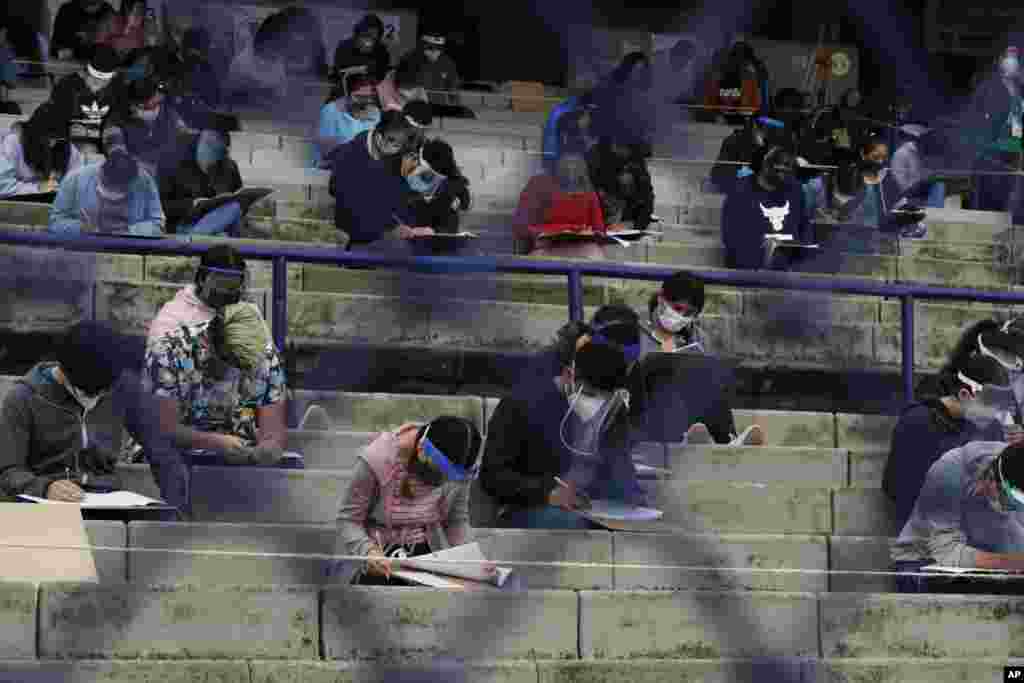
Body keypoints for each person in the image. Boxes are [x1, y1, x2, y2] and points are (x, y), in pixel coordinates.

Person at [143, 245, 301, 473]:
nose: (228, 298)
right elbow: (161, 427)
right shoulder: (170, 341)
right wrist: (214, 442)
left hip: (240, 448)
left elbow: (272, 425)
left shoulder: (255, 340)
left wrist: (270, 444)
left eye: (234, 292)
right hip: (175, 453)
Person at [0, 321, 184, 512]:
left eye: (104, 393)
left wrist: (178, 511)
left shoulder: (120, 386)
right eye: (89, 394)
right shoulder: (24, 398)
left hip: (108, 501)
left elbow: (161, 450)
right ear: (63, 373)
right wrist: (44, 488)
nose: (96, 400)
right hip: (46, 505)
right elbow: (8, 471)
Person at [480, 335, 645, 530]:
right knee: (576, 525)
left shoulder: (613, 413)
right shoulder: (521, 404)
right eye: (589, 395)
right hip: (530, 506)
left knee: (636, 531)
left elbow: (621, 464)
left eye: (604, 399)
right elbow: (492, 476)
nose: (596, 405)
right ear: (569, 375)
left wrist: (635, 500)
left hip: (590, 507)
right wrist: (548, 493)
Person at [333, 416, 483, 584]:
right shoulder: (378, 459)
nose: (444, 481)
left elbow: (455, 520)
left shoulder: (458, 473)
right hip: (378, 554)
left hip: (425, 554)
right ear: (421, 450)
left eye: (450, 477)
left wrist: (470, 559)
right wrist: (369, 552)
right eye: (439, 471)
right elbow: (348, 520)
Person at [883, 354, 1014, 535]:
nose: (995, 415)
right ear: (964, 394)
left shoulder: (992, 429)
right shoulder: (917, 423)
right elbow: (897, 488)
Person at [891, 441, 1024, 594]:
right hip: (923, 560)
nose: (1015, 508)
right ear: (991, 481)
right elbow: (944, 552)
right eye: (1011, 501)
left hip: (989, 556)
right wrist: (1013, 562)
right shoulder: (948, 471)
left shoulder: (1016, 468)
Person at [328, 108, 435, 249]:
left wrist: (415, 228)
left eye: (401, 145)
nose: (398, 149)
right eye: (396, 144)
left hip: (387, 238)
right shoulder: (350, 154)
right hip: (355, 238)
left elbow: (402, 195)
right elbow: (347, 195)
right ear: (379, 138)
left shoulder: (396, 154)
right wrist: (392, 226)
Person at [721, 146, 810, 270]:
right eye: (779, 170)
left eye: (788, 171)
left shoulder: (795, 190)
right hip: (747, 271)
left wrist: (797, 256)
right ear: (766, 166)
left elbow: (805, 229)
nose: (784, 176)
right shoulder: (740, 191)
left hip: (787, 272)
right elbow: (731, 237)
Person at [513, 151, 608, 260]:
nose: (570, 168)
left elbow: (599, 229)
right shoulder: (538, 184)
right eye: (566, 162)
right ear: (557, 163)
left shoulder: (588, 190)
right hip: (546, 245)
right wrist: (540, 234)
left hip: (581, 247)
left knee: (596, 258)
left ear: (583, 167)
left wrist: (594, 235)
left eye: (576, 163)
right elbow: (520, 224)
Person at [49, 148, 164, 235]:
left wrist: (128, 231)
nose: (115, 192)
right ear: (101, 173)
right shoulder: (75, 179)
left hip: (131, 249)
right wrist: (81, 227)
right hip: (85, 247)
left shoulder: (144, 182)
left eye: (121, 188)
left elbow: (158, 225)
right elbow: (55, 223)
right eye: (111, 186)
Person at [967, 45, 1024, 218]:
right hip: (990, 154)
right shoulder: (988, 88)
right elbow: (976, 119)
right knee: (987, 200)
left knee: (1007, 200)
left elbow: (1018, 125)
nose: (1012, 61)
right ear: (1000, 61)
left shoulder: (1019, 91)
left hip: (1011, 153)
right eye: (1009, 56)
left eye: (1015, 56)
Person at [104, 77, 192, 181]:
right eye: (155, 94)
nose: (159, 95)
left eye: (158, 93)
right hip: (137, 169)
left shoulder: (169, 110)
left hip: (166, 167)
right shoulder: (118, 119)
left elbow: (183, 132)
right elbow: (116, 150)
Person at [159, 128, 244, 236]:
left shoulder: (229, 167)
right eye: (212, 149)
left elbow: (238, 198)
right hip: (184, 225)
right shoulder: (172, 163)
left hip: (220, 223)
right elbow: (161, 207)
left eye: (221, 153)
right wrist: (191, 205)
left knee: (234, 210)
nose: (216, 159)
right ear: (201, 143)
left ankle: (203, 237)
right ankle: (198, 237)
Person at [0, 104, 83, 198]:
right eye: (47, 137)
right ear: (32, 132)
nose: (52, 144)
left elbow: (78, 184)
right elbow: (3, 186)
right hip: (18, 204)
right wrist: (37, 188)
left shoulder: (67, 147)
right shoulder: (14, 142)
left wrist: (63, 188)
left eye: (57, 137)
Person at [49, 46, 121, 154]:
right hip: (71, 144)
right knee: (88, 149)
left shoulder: (116, 88)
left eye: (104, 81)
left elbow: (117, 120)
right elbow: (55, 121)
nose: (98, 84)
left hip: (103, 143)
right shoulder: (66, 86)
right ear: (85, 72)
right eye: (94, 79)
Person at [315, 68, 382, 168]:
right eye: (360, 97)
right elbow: (326, 153)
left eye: (370, 97)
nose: (367, 101)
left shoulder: (375, 113)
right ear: (346, 93)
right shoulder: (331, 111)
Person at [404, 138, 472, 235]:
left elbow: (463, 205)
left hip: (438, 233)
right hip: (420, 230)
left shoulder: (451, 185)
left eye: (421, 158)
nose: (419, 161)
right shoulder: (417, 177)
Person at [586, 139, 655, 231]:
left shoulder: (636, 166)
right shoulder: (595, 155)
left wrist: (633, 225)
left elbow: (646, 200)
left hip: (623, 220)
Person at [710, 113, 786, 194]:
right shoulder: (734, 141)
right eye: (766, 127)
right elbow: (719, 174)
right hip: (737, 188)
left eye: (773, 128)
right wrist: (752, 169)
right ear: (754, 125)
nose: (769, 131)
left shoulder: (772, 144)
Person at [396, 33, 461, 111]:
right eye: (431, 48)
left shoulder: (447, 63)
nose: (435, 52)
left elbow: (453, 89)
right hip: (414, 108)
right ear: (422, 46)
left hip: (439, 108)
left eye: (439, 48)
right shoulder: (408, 60)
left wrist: (454, 106)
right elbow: (402, 89)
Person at [51, 0, 116, 62]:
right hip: (70, 63)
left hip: (100, 63)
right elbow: (56, 48)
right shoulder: (67, 10)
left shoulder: (108, 11)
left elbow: (113, 49)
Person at [332, 14, 391, 80]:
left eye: (374, 38)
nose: (369, 41)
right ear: (357, 35)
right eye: (366, 35)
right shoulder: (344, 48)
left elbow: (382, 74)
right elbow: (339, 73)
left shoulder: (382, 51)